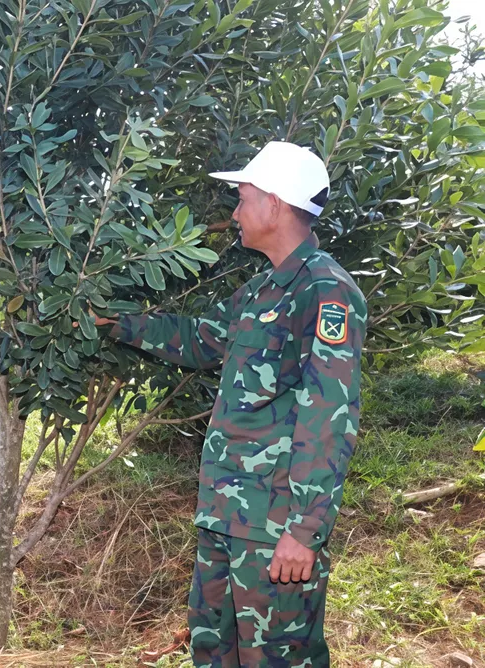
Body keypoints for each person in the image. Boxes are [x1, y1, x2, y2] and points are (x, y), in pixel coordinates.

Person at [97, 142, 366, 666]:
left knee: (279, 657)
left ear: (273, 202)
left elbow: (329, 414)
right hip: (227, 515)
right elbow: (201, 338)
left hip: (275, 529)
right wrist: (116, 321)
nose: (235, 213)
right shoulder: (264, 288)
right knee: (214, 650)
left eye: (242, 199)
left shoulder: (325, 291)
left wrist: (305, 529)